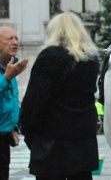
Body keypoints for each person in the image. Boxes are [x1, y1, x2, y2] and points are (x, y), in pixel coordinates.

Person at [20, 13, 100, 180]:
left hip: (52, 144)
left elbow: (34, 101)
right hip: (83, 143)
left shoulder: (50, 56)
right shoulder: (91, 59)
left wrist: (28, 132)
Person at [0, 26, 28, 180]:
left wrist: (12, 127)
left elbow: (10, 102)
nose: (15, 42)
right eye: (9, 38)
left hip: (4, 139)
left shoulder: (10, 67)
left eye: (16, 38)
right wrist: (6, 78)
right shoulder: (9, 72)